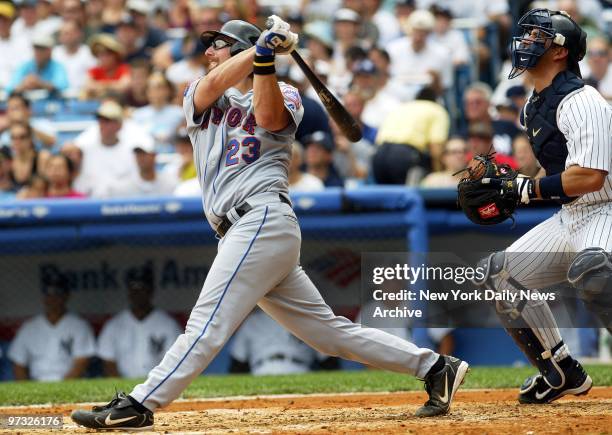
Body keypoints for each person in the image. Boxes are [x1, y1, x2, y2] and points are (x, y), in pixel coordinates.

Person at [71, 17, 468, 430]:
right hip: (243, 231)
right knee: (328, 335)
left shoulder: (287, 94)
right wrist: (257, 48)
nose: (208, 53)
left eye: (218, 45)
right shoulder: (199, 91)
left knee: (206, 324)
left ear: (241, 47)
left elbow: (267, 115)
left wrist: (263, 57)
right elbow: (209, 88)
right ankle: (436, 367)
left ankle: (140, 403)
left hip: (261, 218)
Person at [471, 8, 612, 404]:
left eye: (538, 36)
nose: (526, 42)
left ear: (560, 52)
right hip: (571, 215)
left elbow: (589, 177)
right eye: (528, 34)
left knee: (595, 272)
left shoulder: (583, 100)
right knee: (498, 275)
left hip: (606, 210)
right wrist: (505, 183)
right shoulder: (534, 104)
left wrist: (526, 190)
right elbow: (558, 168)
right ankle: (563, 370)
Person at [97, 265, 181, 378]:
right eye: (134, 288)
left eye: (142, 288)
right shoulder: (114, 325)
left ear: (151, 291)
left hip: (157, 385)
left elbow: (174, 362)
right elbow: (108, 361)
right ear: (129, 291)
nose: (138, 293)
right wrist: (122, 389)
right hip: (123, 386)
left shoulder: (169, 325)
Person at [8, 274, 95, 381]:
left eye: (57, 293)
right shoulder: (29, 327)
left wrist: (62, 390)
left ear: (67, 296)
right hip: (37, 384)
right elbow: (18, 364)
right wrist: (25, 391)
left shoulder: (79, 326)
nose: (53, 297)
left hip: (71, 385)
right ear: (44, 297)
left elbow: (82, 362)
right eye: (49, 293)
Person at [72, 99, 149, 197]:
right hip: (90, 205)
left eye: (108, 121)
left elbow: (135, 185)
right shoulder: (85, 147)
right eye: (100, 120)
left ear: (119, 125)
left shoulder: (132, 151)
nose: (102, 125)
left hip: (122, 205)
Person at [373, 86, 450, 185]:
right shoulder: (437, 110)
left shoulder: (402, 107)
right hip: (403, 155)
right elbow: (436, 148)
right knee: (407, 196)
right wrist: (438, 175)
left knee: (384, 197)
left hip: (379, 154)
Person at [229, 307, 339, 375]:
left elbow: (328, 359)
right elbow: (238, 363)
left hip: (297, 369)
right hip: (264, 369)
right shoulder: (252, 320)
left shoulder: (305, 317)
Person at [99, 141, 177, 198]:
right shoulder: (122, 186)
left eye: (144, 154)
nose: (141, 158)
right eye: (138, 155)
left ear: (153, 156)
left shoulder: (170, 183)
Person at [5, 32, 69, 96]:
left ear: (50, 50)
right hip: (27, 104)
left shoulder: (57, 66)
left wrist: (40, 83)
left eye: (42, 49)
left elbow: (62, 86)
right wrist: (24, 85)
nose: (38, 52)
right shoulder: (25, 66)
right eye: (36, 48)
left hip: (50, 103)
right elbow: (9, 88)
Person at [53, 19, 96, 96]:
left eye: (69, 33)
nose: (66, 36)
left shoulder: (88, 53)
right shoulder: (54, 53)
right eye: (63, 33)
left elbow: (93, 76)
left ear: (79, 33)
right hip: (57, 95)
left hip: (81, 96)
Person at [8, 122, 50, 190]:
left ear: (30, 138)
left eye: (22, 137)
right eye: (13, 137)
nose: (17, 141)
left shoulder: (42, 157)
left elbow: (44, 186)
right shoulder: (9, 160)